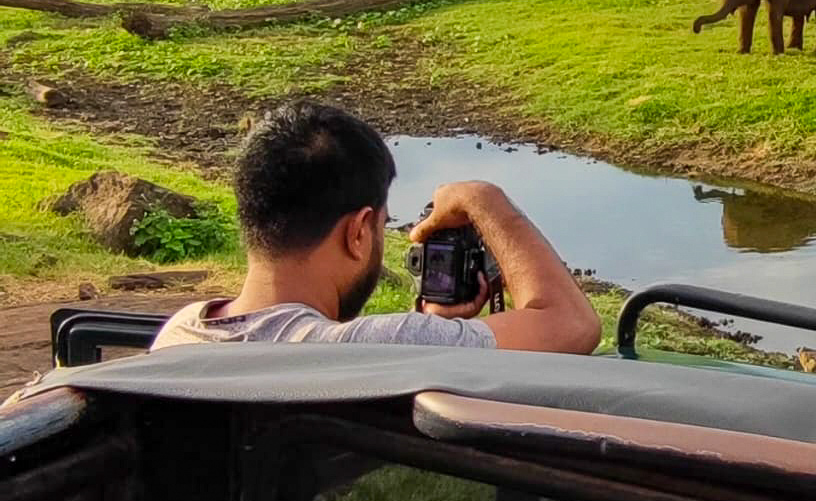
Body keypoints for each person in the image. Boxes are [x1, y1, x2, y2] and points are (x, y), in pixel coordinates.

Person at [153, 101, 600, 353]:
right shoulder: (374, 348)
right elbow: (572, 325)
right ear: (359, 231)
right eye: (383, 225)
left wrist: (432, 326)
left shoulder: (178, 334)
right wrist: (485, 200)